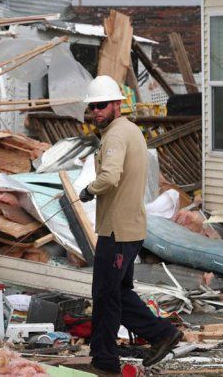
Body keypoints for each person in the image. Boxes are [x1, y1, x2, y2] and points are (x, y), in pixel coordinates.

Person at [78, 75, 183, 373]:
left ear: (115, 104)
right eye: (92, 107)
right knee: (118, 293)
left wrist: (89, 190)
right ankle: (162, 334)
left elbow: (110, 176)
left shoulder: (115, 135)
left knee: (105, 296)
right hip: (130, 228)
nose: (96, 112)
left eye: (101, 106)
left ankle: (106, 361)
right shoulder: (131, 130)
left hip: (118, 230)